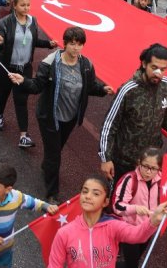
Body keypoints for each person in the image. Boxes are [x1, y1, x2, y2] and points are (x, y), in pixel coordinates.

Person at [9, 27, 114, 201]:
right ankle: (52, 193)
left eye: (80, 44)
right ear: (65, 44)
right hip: (50, 117)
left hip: (71, 118)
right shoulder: (50, 63)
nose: (76, 48)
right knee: (55, 156)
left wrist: (102, 89)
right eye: (72, 44)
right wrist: (24, 81)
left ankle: (47, 166)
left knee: (56, 149)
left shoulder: (86, 65)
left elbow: (90, 87)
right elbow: (37, 86)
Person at [99, 44, 167, 184]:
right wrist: (105, 158)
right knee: (117, 201)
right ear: (144, 64)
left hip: (151, 163)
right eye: (154, 67)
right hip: (124, 162)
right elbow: (109, 125)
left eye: (163, 69)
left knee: (143, 202)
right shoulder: (128, 90)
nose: (158, 73)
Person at [48, 174, 167, 268]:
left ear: (105, 202)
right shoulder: (64, 233)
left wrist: (153, 221)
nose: (88, 196)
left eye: (96, 194)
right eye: (84, 191)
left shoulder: (113, 226)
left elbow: (137, 235)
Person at [0, 0, 57, 146]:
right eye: (22, 5)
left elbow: (32, 41)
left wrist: (48, 44)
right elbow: (0, 46)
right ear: (14, 5)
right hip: (5, 68)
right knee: (3, 94)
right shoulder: (4, 23)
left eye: (28, 4)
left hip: (24, 68)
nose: (26, 8)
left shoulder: (33, 21)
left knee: (21, 100)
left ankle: (23, 136)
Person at [0, 162, 58, 268]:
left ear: (8, 189)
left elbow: (32, 202)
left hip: (5, 252)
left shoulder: (16, 197)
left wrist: (46, 206)